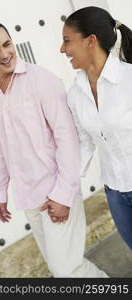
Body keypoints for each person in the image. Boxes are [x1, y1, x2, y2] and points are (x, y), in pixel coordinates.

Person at [0, 21, 108, 277]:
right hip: (28, 196)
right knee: (60, 268)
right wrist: (1, 192)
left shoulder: (42, 80)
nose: (4, 54)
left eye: (7, 44)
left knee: (67, 270)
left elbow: (67, 138)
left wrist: (63, 193)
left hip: (55, 191)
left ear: (13, 42)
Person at [60, 6, 132, 250]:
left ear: (90, 41)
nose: (62, 49)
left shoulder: (129, 79)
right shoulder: (74, 94)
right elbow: (84, 143)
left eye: (67, 41)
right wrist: (63, 189)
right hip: (116, 194)